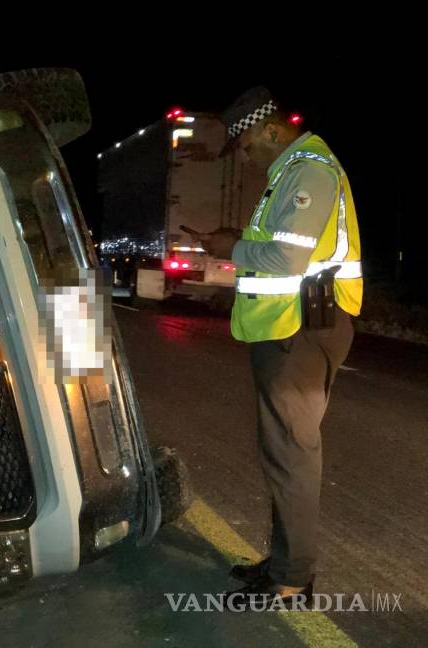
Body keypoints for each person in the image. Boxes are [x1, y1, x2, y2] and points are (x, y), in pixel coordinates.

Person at [201, 86, 363, 608]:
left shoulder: (310, 170)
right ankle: (284, 562)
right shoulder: (290, 172)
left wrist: (233, 248)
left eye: (246, 145)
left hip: (302, 327)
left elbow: (287, 262)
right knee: (282, 453)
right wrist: (238, 244)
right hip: (288, 327)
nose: (245, 157)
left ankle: (292, 580)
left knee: (291, 455)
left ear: (271, 129)